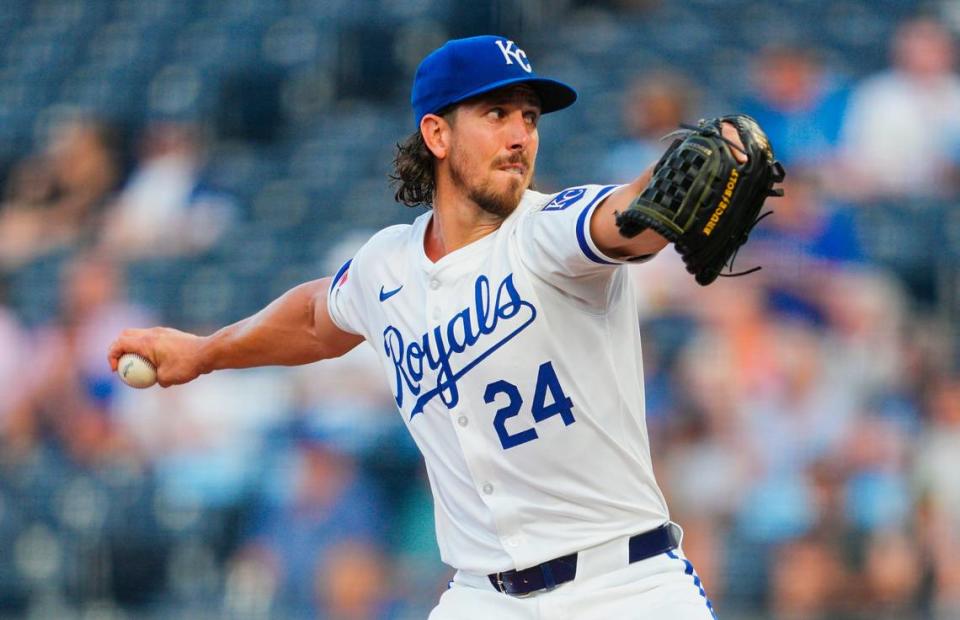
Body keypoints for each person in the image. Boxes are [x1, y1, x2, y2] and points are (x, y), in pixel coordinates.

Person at [109, 35, 752, 619]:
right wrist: (204, 353)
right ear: (437, 135)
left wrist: (677, 175)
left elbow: (623, 218)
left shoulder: (549, 232)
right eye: (496, 114)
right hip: (482, 596)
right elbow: (314, 318)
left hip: (624, 588)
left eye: (529, 116)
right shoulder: (385, 265)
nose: (521, 134)